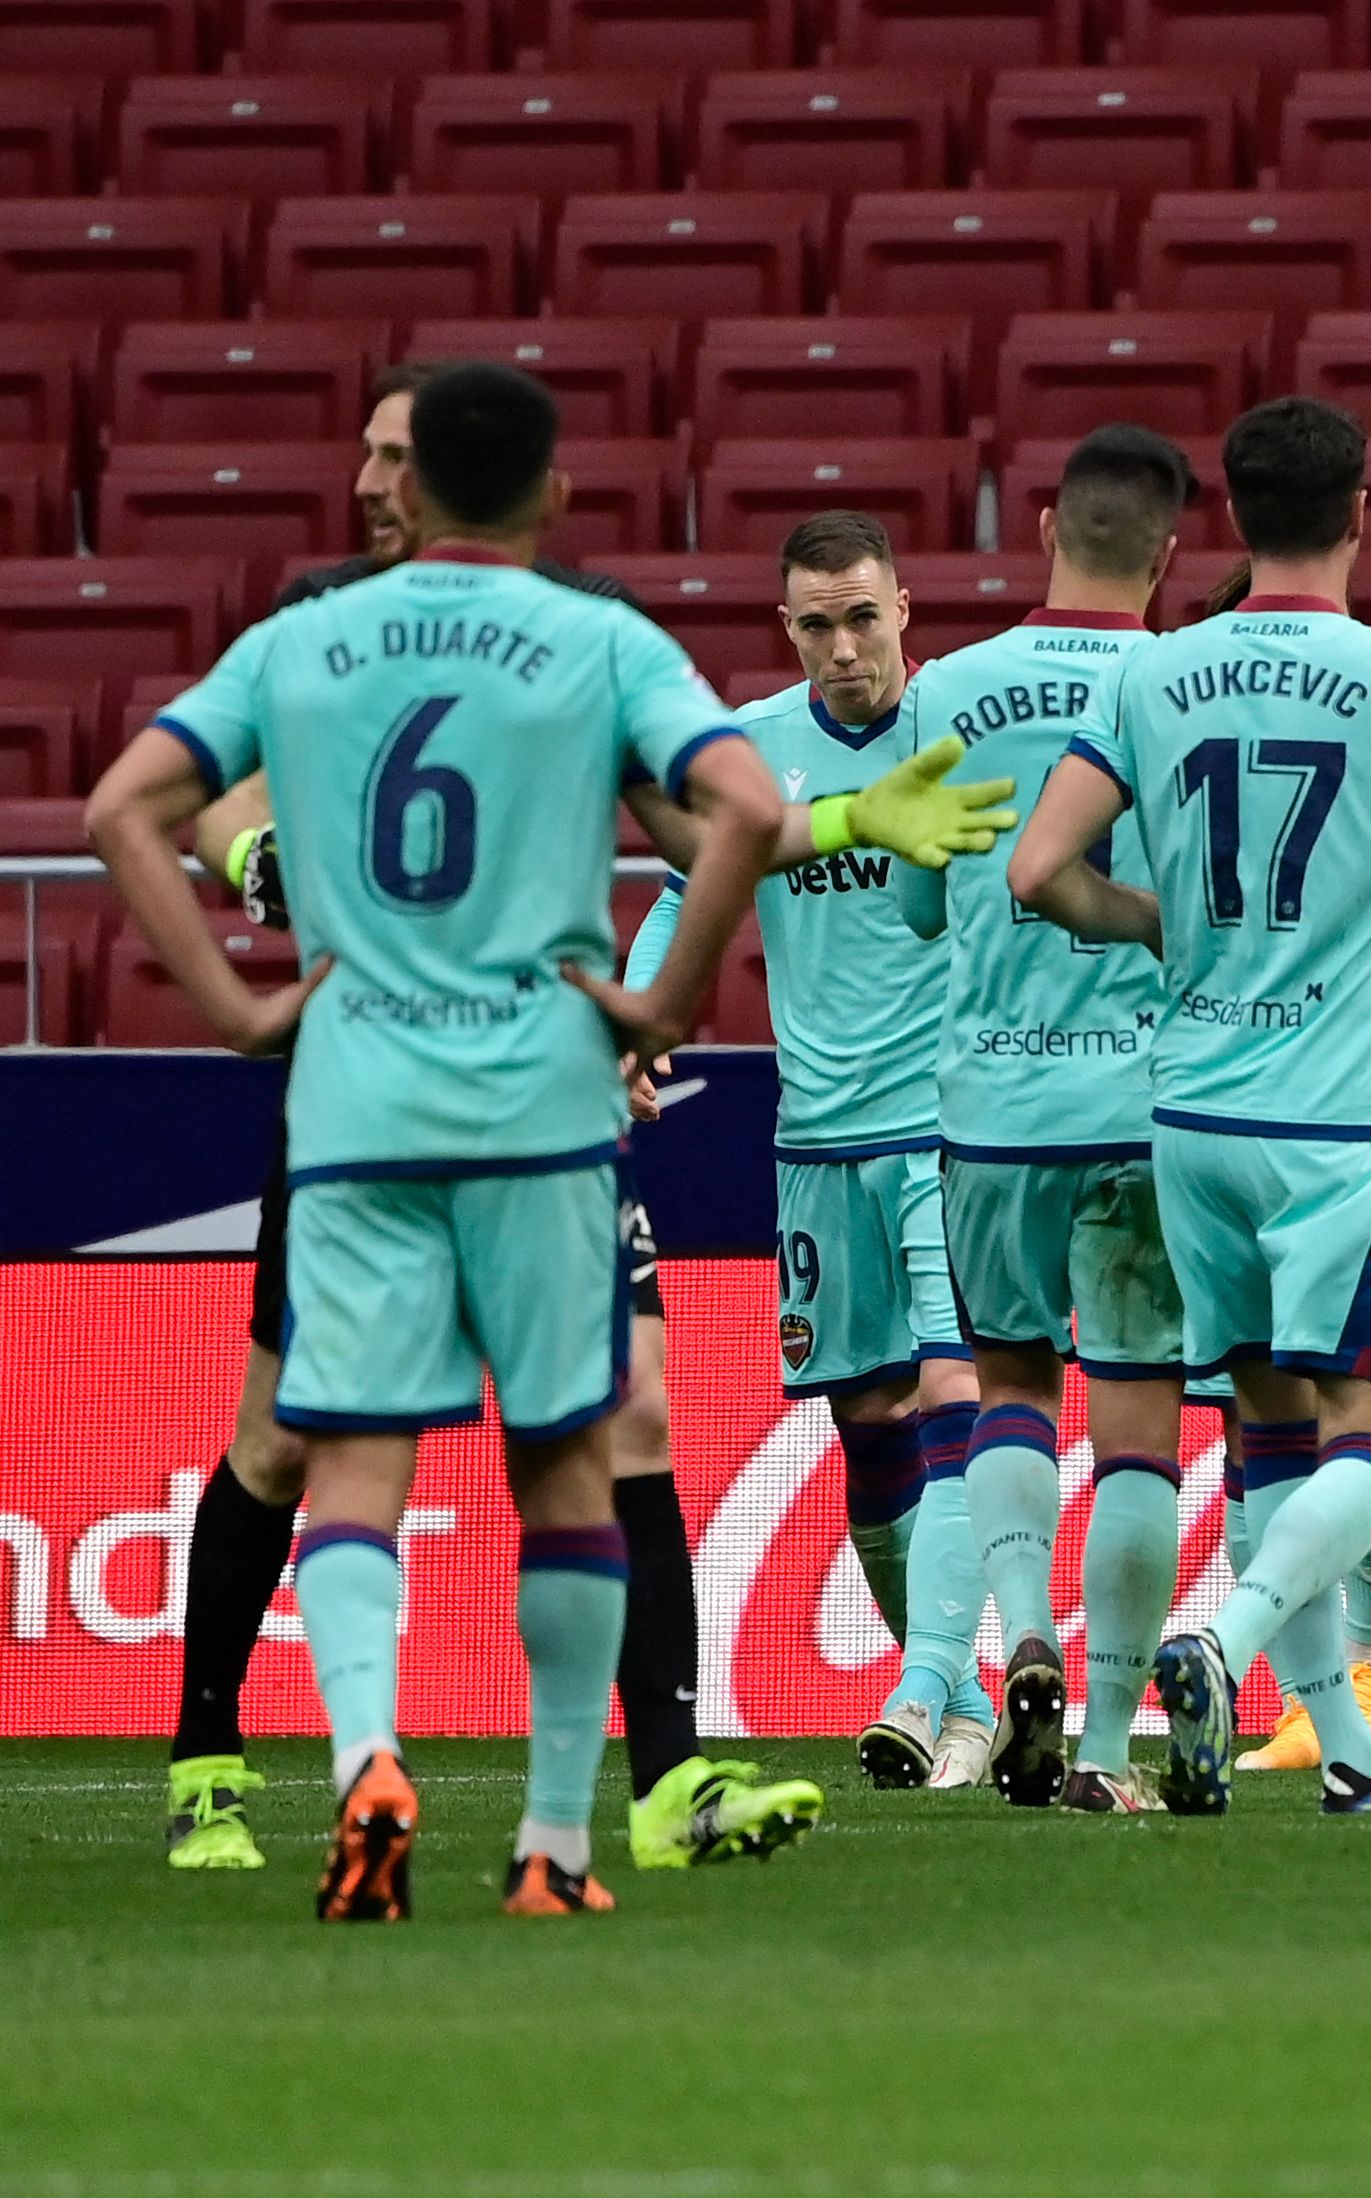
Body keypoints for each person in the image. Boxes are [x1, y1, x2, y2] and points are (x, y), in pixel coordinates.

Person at [83, 362, 788, 1917]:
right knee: (570, 1469)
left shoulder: (302, 640)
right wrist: (657, 1003)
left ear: (405, 486)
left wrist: (239, 1012)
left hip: (354, 1106)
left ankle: (363, 1765)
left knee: (345, 1462)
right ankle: (553, 1843)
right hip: (540, 1106)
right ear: (549, 493)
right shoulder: (600, 640)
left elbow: (124, 808)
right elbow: (749, 810)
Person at [1011, 395, 1371, 1816]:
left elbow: (1037, 869)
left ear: (1228, 521)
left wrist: (1158, 922)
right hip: (1346, 1116)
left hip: (1193, 1115)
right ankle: (1219, 1642)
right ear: (1359, 516)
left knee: (1265, 1426)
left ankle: (1350, 1765)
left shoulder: (1152, 675)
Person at [624, 513, 997, 1792]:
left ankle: (919, 1689)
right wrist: (640, 1014)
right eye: (816, 624)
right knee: (869, 1425)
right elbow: (685, 888)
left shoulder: (961, 727)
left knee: (956, 1392)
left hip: (952, 1129)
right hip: (818, 1141)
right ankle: (960, 1696)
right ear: (787, 629)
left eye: (863, 616)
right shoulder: (756, 750)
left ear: (907, 608)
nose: (844, 647)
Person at [889, 427, 1197, 1813]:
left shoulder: (946, 686)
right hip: (1148, 1100)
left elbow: (914, 904)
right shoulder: (1188, 682)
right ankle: (1108, 1745)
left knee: (1010, 1389)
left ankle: (1018, 1641)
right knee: (1140, 1430)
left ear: (1043, 530)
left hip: (992, 1104)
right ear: (1170, 552)